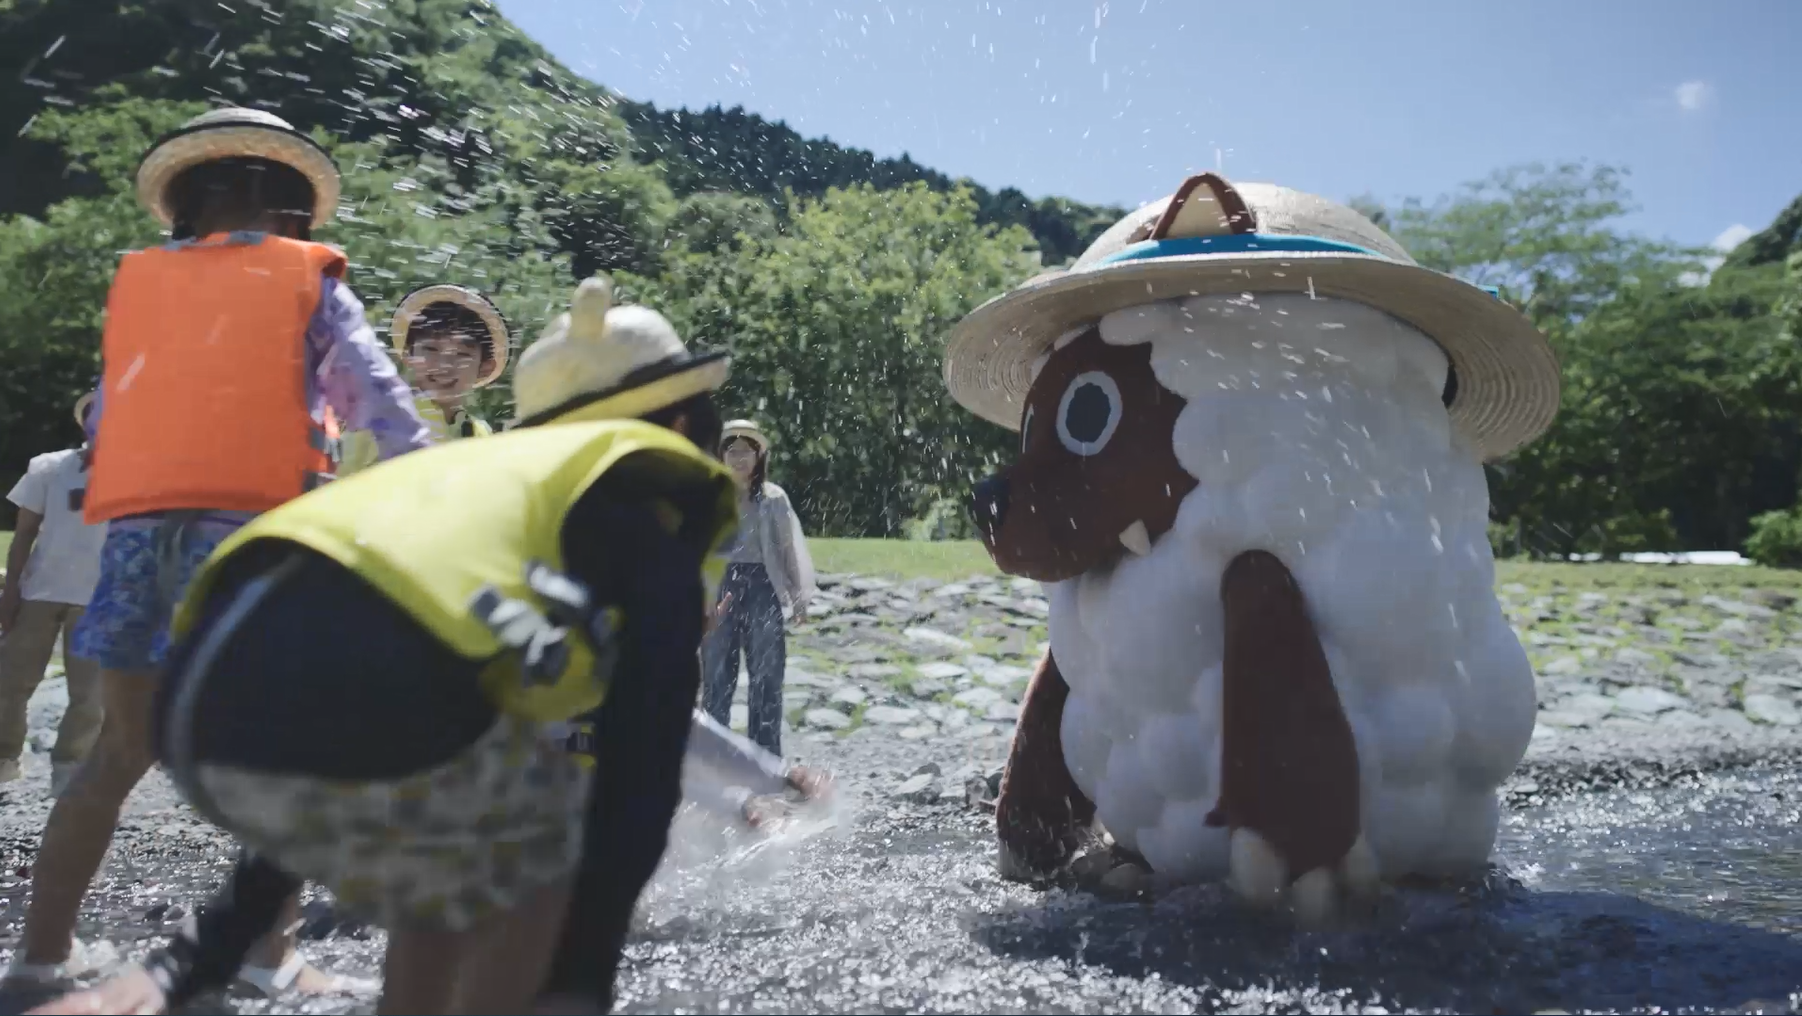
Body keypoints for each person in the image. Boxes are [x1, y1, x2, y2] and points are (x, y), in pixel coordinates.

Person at [24, 273, 828, 1016]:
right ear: (685, 421)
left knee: (465, 823)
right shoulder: (635, 511)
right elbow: (645, 767)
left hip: (211, 686)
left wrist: (205, 947)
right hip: (310, 703)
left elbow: (352, 681)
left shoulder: (483, 476)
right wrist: (582, 980)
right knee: (541, 839)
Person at [1, 106, 434, 999]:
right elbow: (377, 404)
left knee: (116, 755)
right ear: (286, 209)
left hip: (133, 544)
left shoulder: (144, 287)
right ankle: (266, 958)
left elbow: (109, 417)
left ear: (187, 206)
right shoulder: (304, 278)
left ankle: (41, 958)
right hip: (245, 541)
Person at [0, 393, 108, 795]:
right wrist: (10, 593)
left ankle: (70, 767)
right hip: (39, 591)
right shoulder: (48, 467)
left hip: (99, 597)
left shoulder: (140, 474)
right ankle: (5, 757)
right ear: (85, 421)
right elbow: (24, 533)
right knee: (10, 681)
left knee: (90, 695)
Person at [700, 420, 815, 756]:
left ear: (758, 457)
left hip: (763, 585)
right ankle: (713, 757)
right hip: (720, 586)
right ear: (720, 456)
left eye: (746, 452)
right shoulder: (708, 494)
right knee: (717, 675)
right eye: (732, 452)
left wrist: (798, 598)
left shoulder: (773, 497)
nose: (739, 459)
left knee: (767, 674)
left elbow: (787, 549)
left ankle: (764, 757)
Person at [336, 284, 509, 475]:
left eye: (462, 354)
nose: (444, 365)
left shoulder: (481, 435)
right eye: (431, 349)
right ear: (409, 355)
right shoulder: (380, 418)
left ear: (484, 367)